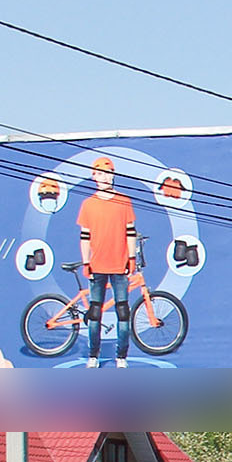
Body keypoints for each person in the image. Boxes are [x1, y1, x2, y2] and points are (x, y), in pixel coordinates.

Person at [76, 156, 140, 366]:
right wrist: (86, 263)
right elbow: (85, 236)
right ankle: (93, 355)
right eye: (99, 173)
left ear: (113, 175)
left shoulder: (124, 201)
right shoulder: (88, 204)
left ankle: (121, 357)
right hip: (97, 266)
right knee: (95, 313)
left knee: (123, 311)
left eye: (108, 172)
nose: (104, 177)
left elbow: (130, 232)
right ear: (94, 176)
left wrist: (131, 257)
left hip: (119, 264)